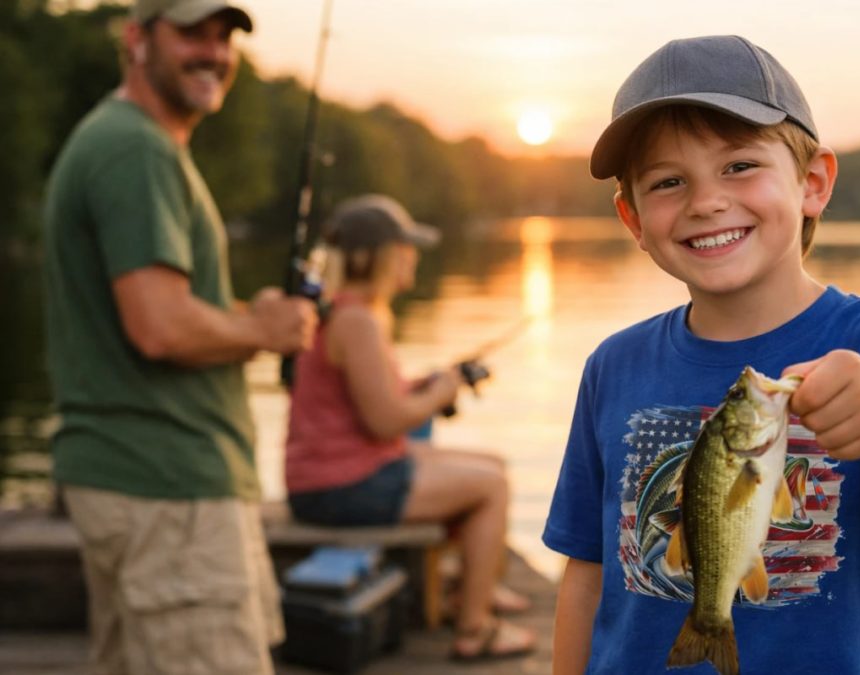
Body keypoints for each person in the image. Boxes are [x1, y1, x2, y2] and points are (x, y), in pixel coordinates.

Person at [543, 35, 860, 674]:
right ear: (634, 219)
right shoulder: (613, 365)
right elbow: (587, 570)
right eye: (668, 182)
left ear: (812, 183)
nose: (706, 201)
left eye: (739, 166)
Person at [42, 1, 318, 673]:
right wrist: (261, 328)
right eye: (192, 32)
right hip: (167, 493)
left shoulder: (134, 142)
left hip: (152, 489)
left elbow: (164, 308)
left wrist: (243, 315)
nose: (214, 51)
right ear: (137, 39)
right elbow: (159, 325)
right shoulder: (134, 146)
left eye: (224, 36)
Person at [285, 194, 537, 661]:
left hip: (334, 473)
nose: (413, 257)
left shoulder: (348, 312)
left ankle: (469, 590)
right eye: (406, 248)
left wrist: (431, 382)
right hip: (341, 486)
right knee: (491, 486)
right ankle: (474, 628)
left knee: (489, 464)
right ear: (381, 255)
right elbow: (385, 421)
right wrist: (440, 393)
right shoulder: (356, 320)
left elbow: (379, 396)